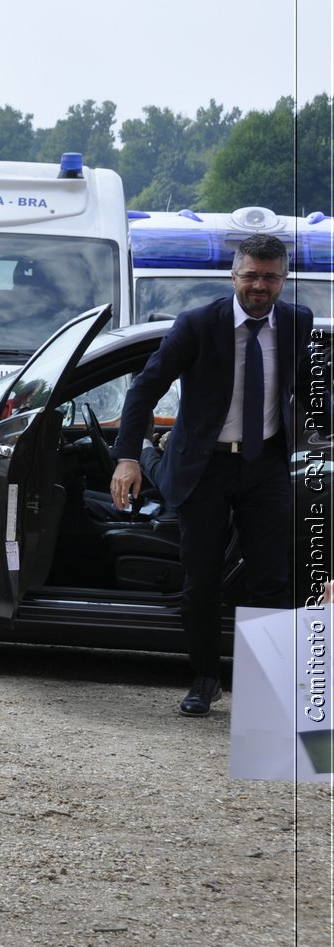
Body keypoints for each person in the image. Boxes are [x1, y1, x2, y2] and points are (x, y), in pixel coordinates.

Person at [110, 233, 315, 718]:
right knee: (201, 582)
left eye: (269, 277)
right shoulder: (198, 325)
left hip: (264, 465)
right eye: (251, 276)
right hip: (205, 466)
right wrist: (127, 457)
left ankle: (266, 689)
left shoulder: (297, 323)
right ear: (233, 276)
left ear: (283, 279)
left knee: (272, 581)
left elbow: (308, 390)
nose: (259, 286)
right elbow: (144, 389)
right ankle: (205, 680)